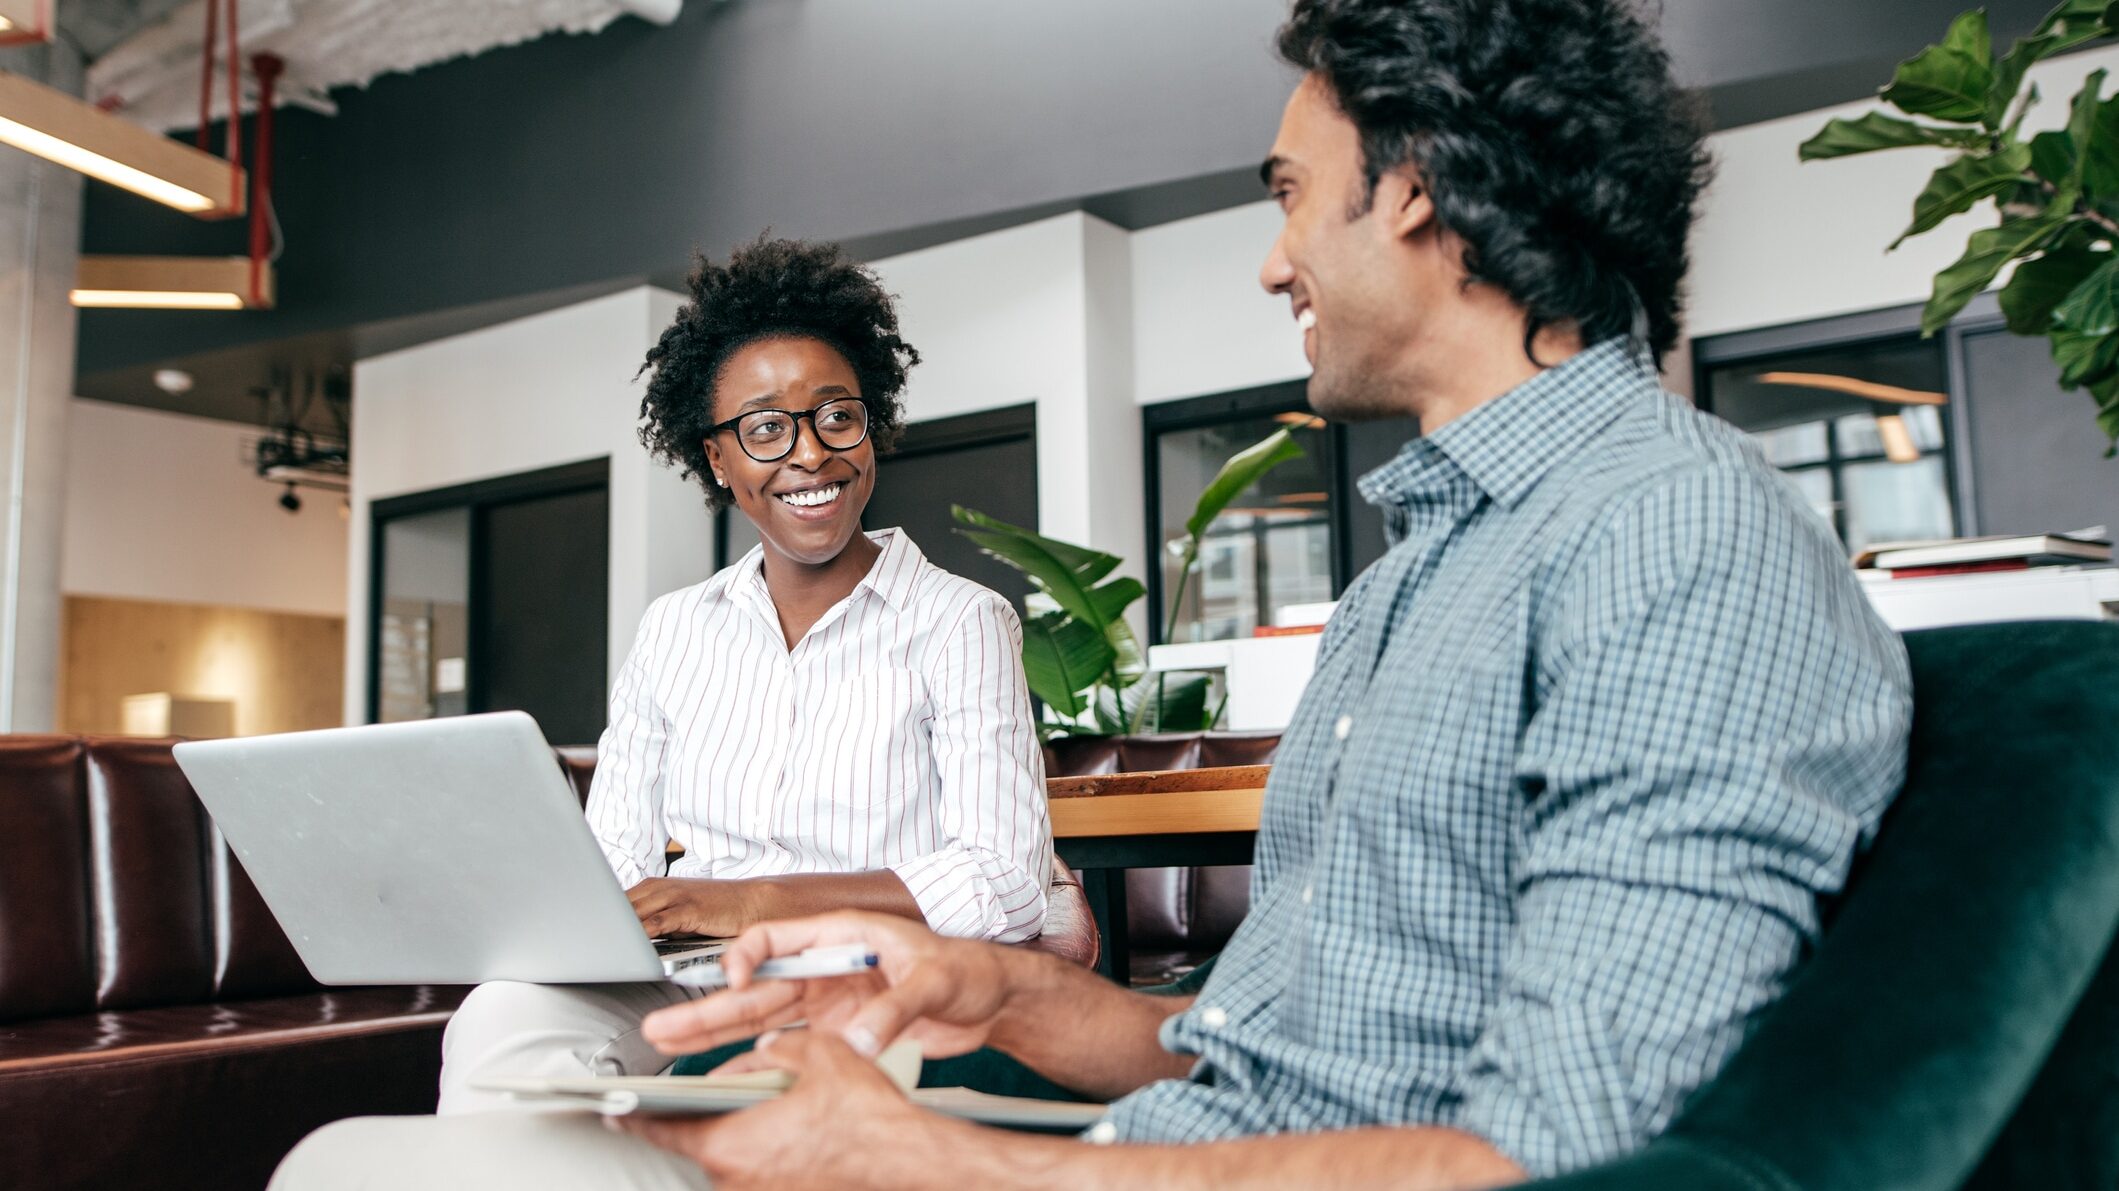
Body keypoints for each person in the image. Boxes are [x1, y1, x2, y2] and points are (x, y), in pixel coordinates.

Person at [273, 0, 1912, 1186]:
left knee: (377, 1175)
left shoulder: (1669, 538)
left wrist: (941, 1164)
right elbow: (1249, 1054)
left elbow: (1560, 1153)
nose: (1270, 261)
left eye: (1284, 191)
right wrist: (989, 988)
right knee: (391, 1144)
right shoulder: (1418, 583)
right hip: (1140, 1142)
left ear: (1410, 190)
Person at [432, 237, 1053, 1114]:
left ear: (871, 425)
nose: (809, 454)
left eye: (836, 415)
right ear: (718, 461)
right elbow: (616, 855)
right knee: (501, 1024)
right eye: (764, 429)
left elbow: (1003, 881)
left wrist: (749, 901)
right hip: (687, 977)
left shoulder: (960, 620)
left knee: (750, 1078)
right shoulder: (675, 628)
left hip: (866, 978)